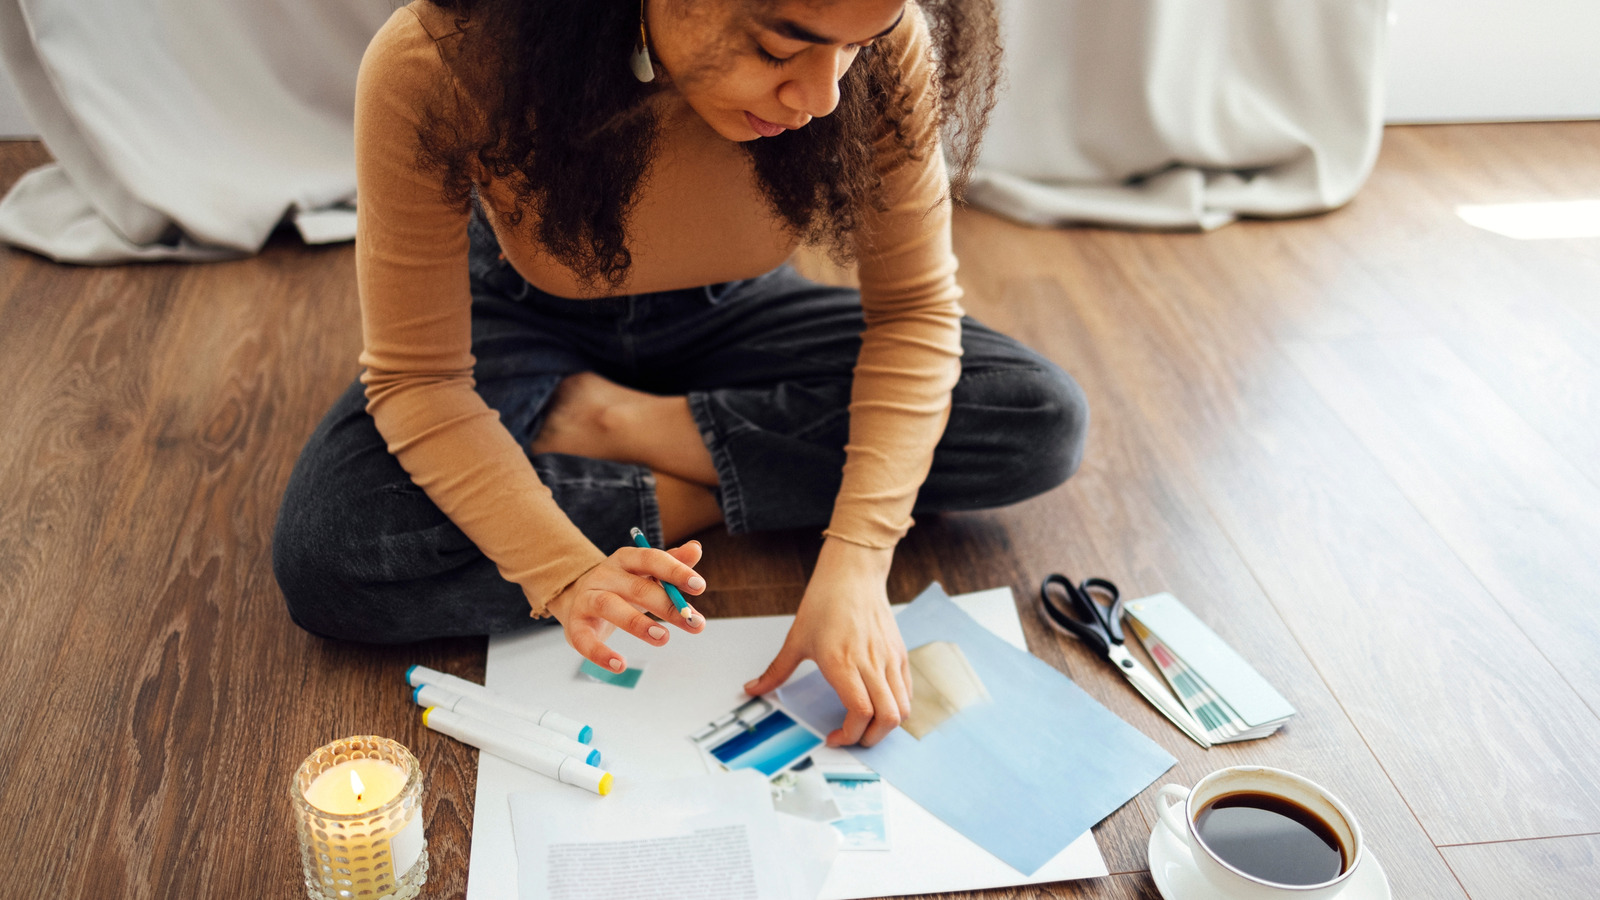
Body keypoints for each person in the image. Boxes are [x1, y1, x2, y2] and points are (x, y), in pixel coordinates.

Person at [273, 0, 1087, 748]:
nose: (825, 96)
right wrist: (562, 573)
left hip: (731, 310)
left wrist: (857, 563)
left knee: (1036, 419)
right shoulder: (439, 60)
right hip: (520, 313)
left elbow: (914, 316)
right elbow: (420, 382)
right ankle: (725, 483)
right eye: (781, 48)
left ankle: (616, 430)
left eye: (856, 49)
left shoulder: (871, 38)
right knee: (330, 556)